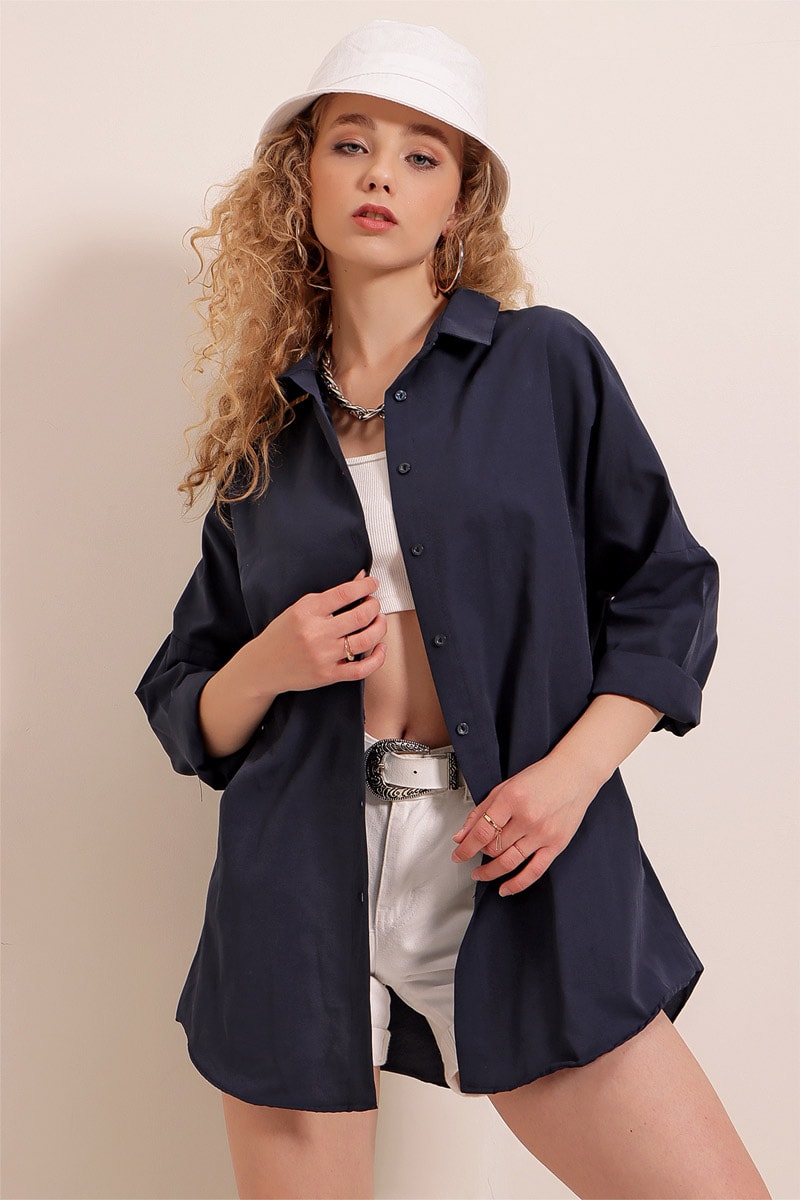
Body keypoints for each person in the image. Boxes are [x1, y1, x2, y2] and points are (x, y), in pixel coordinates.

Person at [135, 19, 771, 1200]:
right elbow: (188, 708)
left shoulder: (542, 365)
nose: (379, 172)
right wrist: (269, 660)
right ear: (301, 180)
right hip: (297, 888)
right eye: (349, 143)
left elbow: (667, 585)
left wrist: (568, 778)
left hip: (511, 858)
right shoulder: (267, 438)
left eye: (420, 154)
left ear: (459, 200)